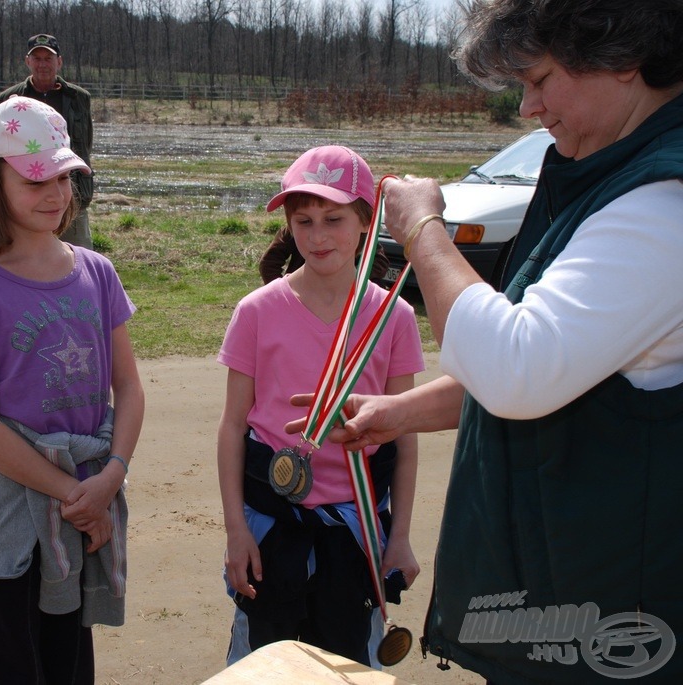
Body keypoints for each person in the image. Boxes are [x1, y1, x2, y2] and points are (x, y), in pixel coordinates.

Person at [310, 1, 683, 681]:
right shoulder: (611, 173)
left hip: (610, 617)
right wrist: (395, 413)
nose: (528, 107)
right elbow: (569, 361)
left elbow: (517, 365)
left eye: (539, 78)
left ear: (622, 59)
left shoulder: (662, 205)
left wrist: (425, 231)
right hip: (571, 591)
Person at [0, 96, 144, 684]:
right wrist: (78, 495)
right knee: (14, 664)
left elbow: (127, 387)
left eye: (63, 176)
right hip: (8, 517)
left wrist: (111, 476)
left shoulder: (97, 272)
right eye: (35, 178)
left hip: (89, 494)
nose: (55, 193)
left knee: (71, 663)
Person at [217, 145, 424, 667]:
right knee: (267, 665)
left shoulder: (393, 317)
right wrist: (236, 531)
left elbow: (404, 435)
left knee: (347, 664)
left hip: (355, 531)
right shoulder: (257, 311)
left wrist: (397, 537)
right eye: (303, 221)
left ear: (365, 222)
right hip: (270, 527)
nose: (317, 235)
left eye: (334, 219)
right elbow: (231, 428)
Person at [0, 33, 94, 249]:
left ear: (59, 62)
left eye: (48, 58)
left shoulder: (79, 98)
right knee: (26, 257)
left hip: (70, 192)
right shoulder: (10, 98)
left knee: (78, 252)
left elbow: (85, 145)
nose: (43, 64)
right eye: (37, 58)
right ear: (27, 61)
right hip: (27, 194)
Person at [259, 225, 392, 284]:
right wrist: (283, 294)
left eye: (333, 219)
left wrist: (351, 285)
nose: (318, 238)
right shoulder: (293, 229)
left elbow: (379, 262)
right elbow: (269, 264)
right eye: (306, 221)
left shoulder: (356, 230)